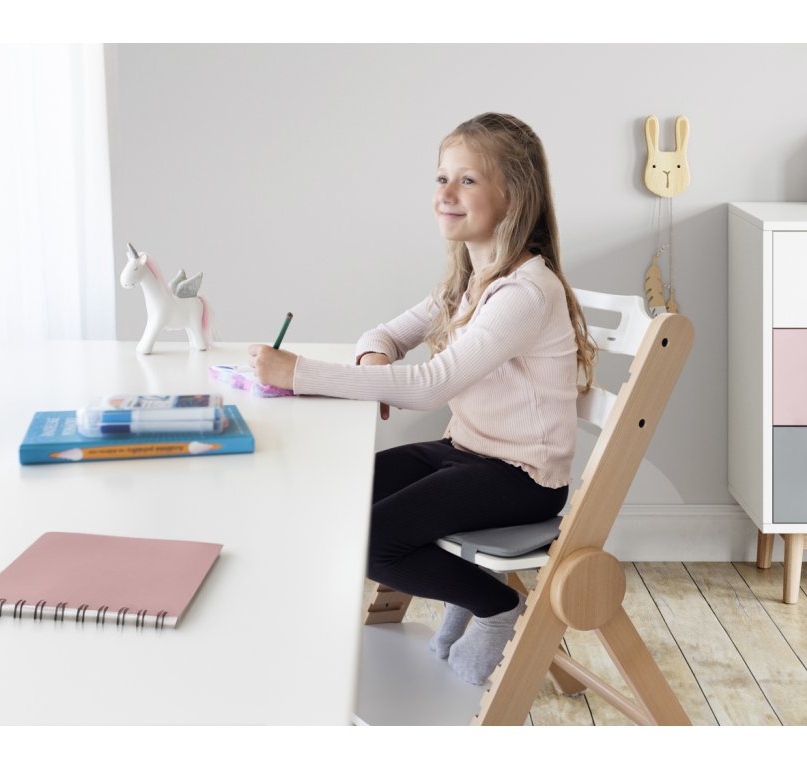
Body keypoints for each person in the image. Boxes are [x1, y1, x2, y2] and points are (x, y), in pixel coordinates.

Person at [249, 112, 595, 685]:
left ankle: (496, 605)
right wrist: (374, 364)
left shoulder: (525, 294)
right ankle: (467, 593)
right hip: (463, 453)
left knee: (371, 540)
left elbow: (432, 384)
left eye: (467, 180)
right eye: (441, 178)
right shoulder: (468, 283)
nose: (446, 194)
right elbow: (382, 335)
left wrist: (300, 374)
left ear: (515, 195)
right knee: (336, 496)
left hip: (522, 478)